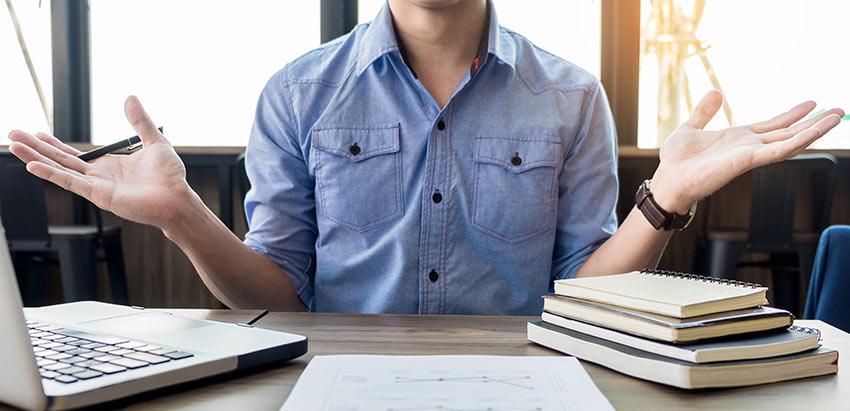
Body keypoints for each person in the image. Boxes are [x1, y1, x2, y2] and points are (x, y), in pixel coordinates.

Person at [7, 0, 843, 314]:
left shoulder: (573, 95)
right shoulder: (296, 92)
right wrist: (186, 219)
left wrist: (667, 196)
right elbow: (281, 296)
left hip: (529, 393)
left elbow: (585, 296)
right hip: (327, 392)